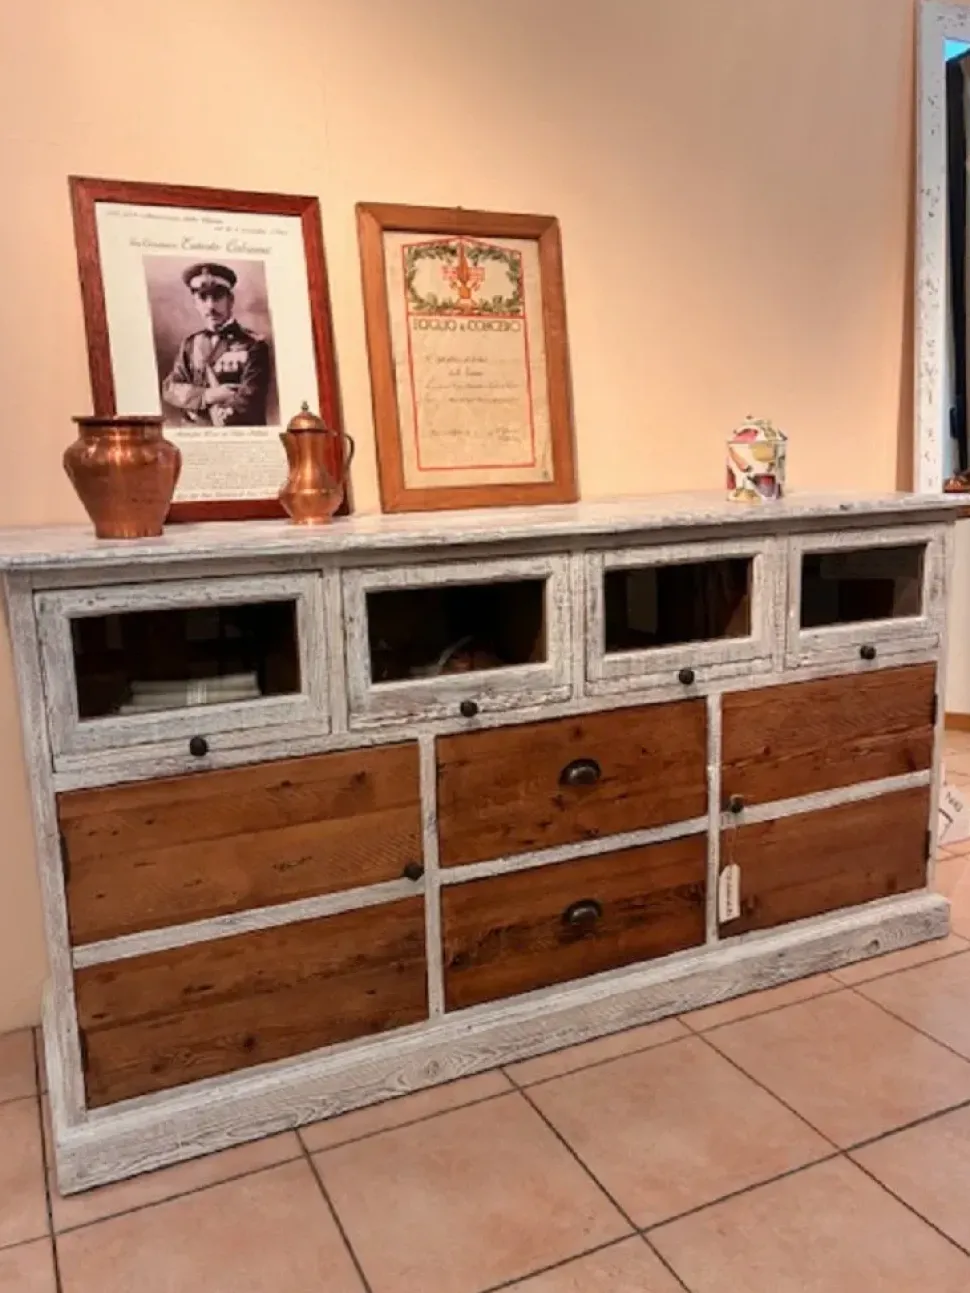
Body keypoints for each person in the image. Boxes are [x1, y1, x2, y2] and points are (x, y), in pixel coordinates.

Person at [161, 263, 271, 426]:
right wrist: (207, 395)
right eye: (203, 298)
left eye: (217, 297)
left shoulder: (253, 344)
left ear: (230, 300)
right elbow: (170, 388)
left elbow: (251, 398)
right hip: (196, 432)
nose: (210, 306)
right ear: (195, 303)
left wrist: (220, 408)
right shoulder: (190, 344)